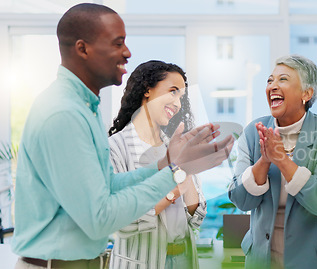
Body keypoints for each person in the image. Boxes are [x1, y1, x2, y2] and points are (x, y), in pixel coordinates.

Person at [11, 4, 232, 269]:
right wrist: (175, 172)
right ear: (83, 49)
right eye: (118, 43)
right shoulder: (64, 114)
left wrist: (166, 164)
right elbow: (101, 217)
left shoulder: (84, 108)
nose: (127, 53)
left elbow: (108, 186)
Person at [228, 55, 317, 268]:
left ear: (307, 93)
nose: (273, 86)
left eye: (283, 80)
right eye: (269, 80)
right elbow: (240, 199)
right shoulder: (253, 132)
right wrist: (264, 162)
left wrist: (282, 160)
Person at [107, 60, 206, 269]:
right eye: (173, 92)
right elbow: (121, 222)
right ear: (147, 90)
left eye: (181, 97)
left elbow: (197, 217)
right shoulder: (115, 148)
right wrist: (172, 193)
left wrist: (188, 173)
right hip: (140, 262)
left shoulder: (175, 146)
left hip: (183, 259)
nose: (178, 103)